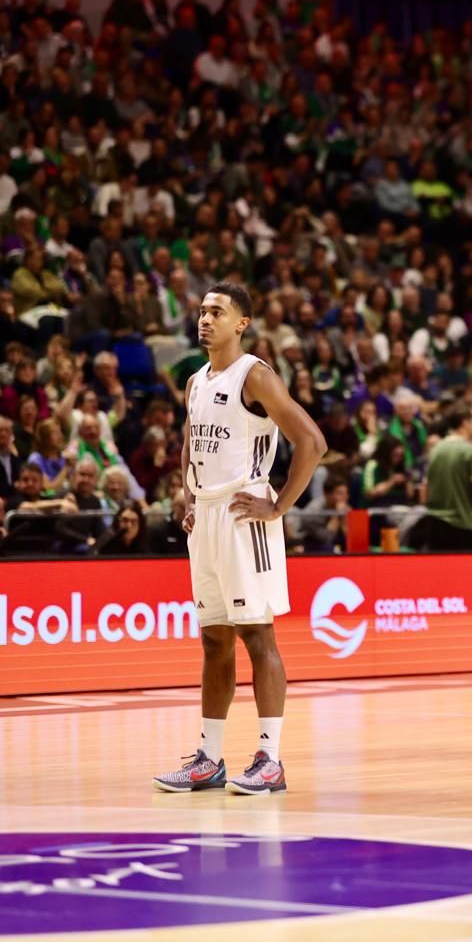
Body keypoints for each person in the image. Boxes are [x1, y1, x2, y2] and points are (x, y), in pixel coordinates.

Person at [153, 282, 327, 797]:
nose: (205, 319)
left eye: (217, 312)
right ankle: (209, 759)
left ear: (241, 323)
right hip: (206, 518)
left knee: (257, 635)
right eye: (202, 311)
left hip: (245, 515)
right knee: (214, 640)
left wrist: (279, 505)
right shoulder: (195, 380)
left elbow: (312, 442)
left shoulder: (255, 374)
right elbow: (190, 441)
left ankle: (270, 761)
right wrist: (189, 494)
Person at [412, 403, 472, 552]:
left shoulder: (435, 449)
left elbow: (424, 494)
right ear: (465, 422)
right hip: (460, 525)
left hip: (433, 525)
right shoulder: (471, 451)